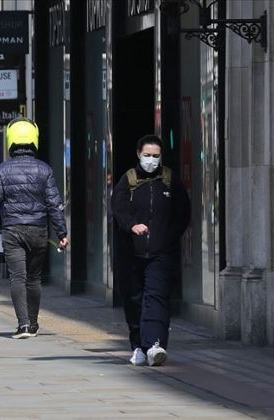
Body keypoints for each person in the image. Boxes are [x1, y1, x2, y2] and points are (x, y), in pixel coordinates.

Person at [0, 117, 69, 339]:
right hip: (38, 230)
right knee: (34, 278)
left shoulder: (2, 169)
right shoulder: (44, 169)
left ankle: (24, 325)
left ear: (11, 140)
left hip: (13, 230)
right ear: (34, 140)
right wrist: (62, 233)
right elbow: (54, 204)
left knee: (17, 277)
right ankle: (34, 322)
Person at [111, 134, 190, 367]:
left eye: (156, 156)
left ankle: (155, 345)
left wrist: (168, 236)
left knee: (156, 298)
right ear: (138, 154)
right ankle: (138, 346)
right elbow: (119, 208)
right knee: (134, 300)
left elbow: (183, 213)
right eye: (147, 155)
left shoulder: (169, 180)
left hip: (161, 253)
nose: (151, 160)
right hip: (131, 254)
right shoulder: (129, 180)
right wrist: (132, 225)